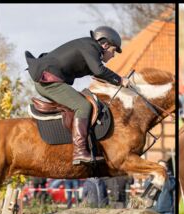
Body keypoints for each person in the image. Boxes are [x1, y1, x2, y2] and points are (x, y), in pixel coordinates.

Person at [25, 26, 130, 165]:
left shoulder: (88, 47)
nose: (113, 55)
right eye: (113, 50)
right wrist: (120, 80)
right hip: (47, 82)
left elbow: (97, 73)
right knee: (83, 106)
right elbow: (99, 71)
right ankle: (80, 151)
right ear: (105, 44)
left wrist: (116, 82)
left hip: (47, 80)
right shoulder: (91, 46)